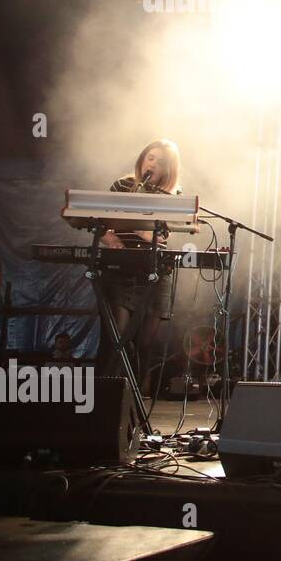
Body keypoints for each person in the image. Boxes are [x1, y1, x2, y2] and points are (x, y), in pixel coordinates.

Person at [95, 139, 183, 391]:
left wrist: (128, 220)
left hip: (154, 270)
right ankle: (105, 398)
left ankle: (138, 401)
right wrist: (109, 236)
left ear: (169, 169)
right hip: (120, 269)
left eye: (160, 161)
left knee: (145, 343)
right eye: (150, 157)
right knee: (116, 337)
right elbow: (99, 219)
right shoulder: (123, 185)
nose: (153, 164)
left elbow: (160, 236)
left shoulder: (172, 195)